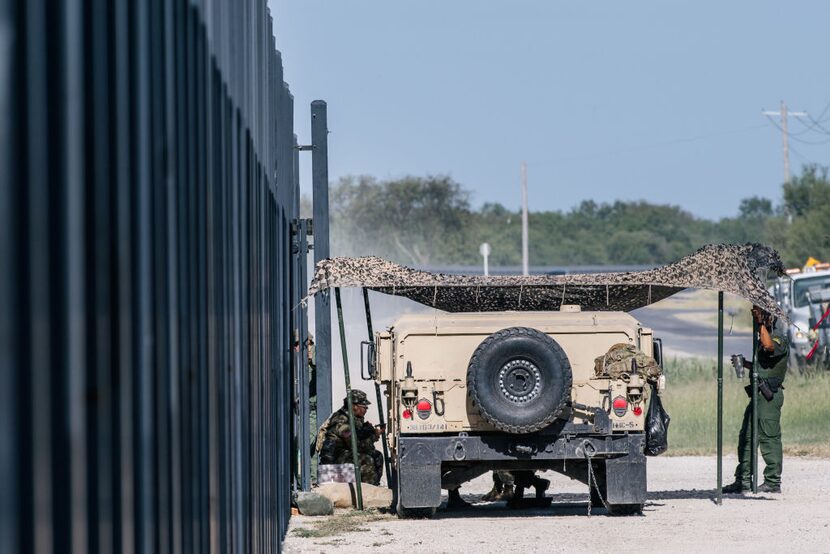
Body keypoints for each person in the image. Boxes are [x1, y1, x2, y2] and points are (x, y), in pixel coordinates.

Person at [724, 306, 788, 494]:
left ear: (770, 318)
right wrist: (745, 364)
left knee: (769, 437)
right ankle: (743, 479)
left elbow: (770, 347)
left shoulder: (778, 337)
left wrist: (761, 323)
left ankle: (772, 481)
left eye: (763, 315)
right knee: (747, 436)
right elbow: (763, 365)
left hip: (769, 396)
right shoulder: (762, 337)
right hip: (758, 395)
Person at [317, 390, 385, 485]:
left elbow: (358, 434)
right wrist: (373, 437)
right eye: (364, 407)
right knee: (366, 460)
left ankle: (374, 486)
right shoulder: (341, 421)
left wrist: (368, 430)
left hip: (346, 452)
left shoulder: (354, 418)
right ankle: (367, 490)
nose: (366, 409)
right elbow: (355, 445)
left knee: (377, 456)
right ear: (354, 406)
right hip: (336, 456)